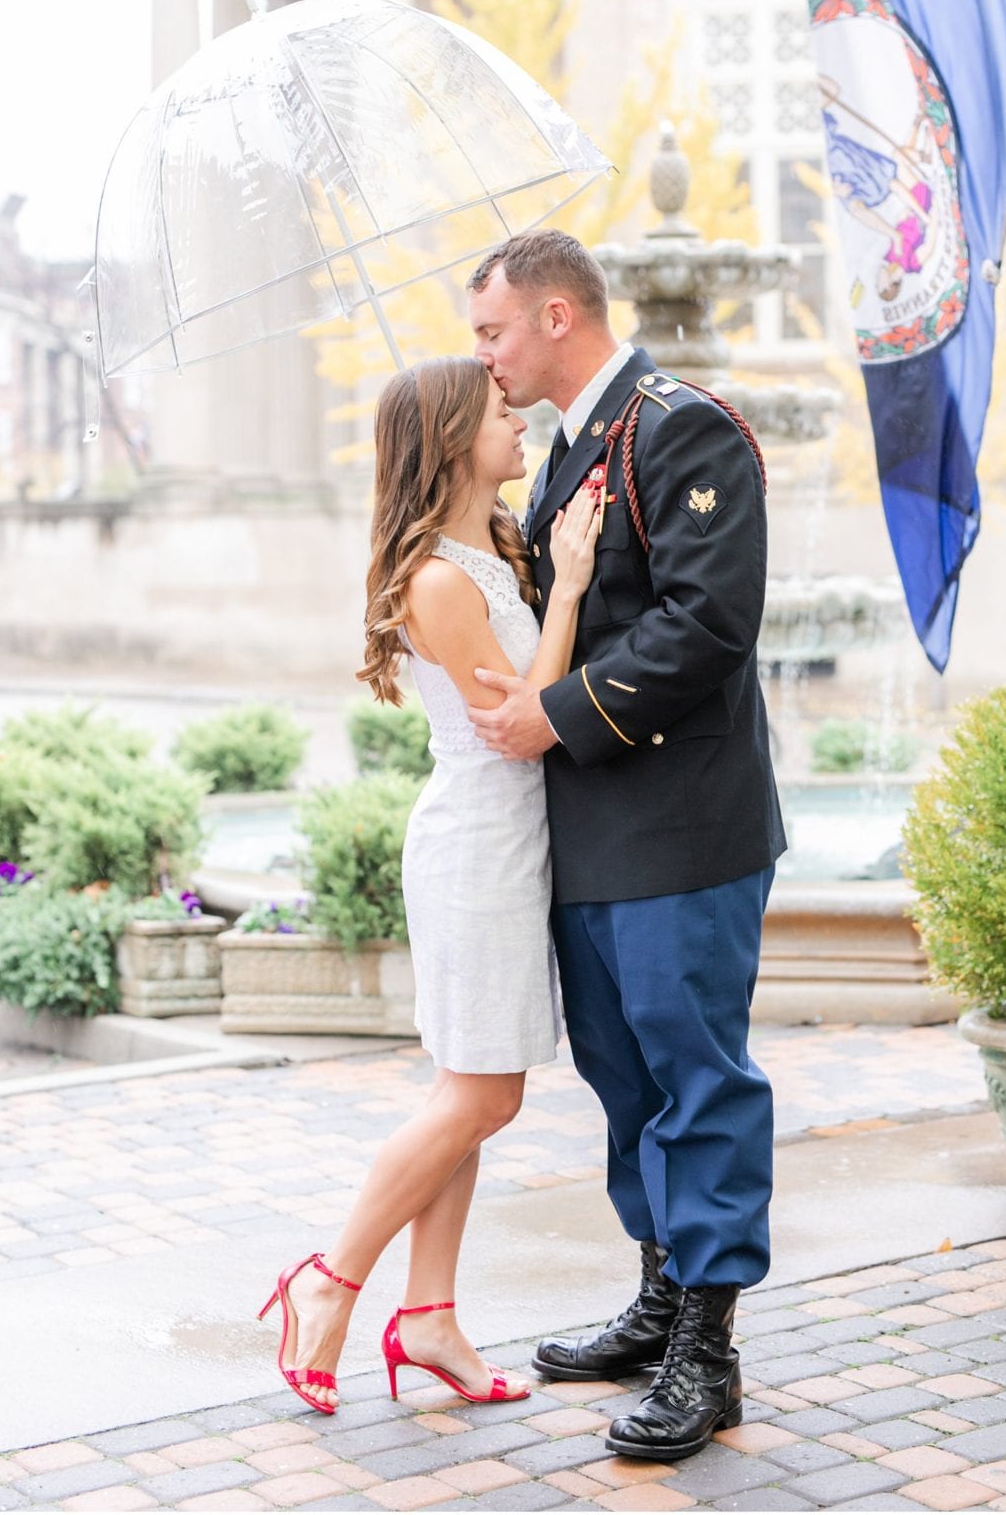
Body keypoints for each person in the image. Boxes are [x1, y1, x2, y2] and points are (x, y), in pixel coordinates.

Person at [467, 229, 785, 1462]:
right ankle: (660, 1299)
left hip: (682, 827)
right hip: (593, 830)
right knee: (626, 1082)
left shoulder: (679, 425)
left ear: (556, 316)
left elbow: (712, 622)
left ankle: (709, 1353)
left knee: (698, 1085)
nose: (482, 356)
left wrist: (551, 714)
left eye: (492, 331)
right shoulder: (569, 447)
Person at [258, 356, 599, 1415]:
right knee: (484, 1093)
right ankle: (329, 1282)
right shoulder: (440, 580)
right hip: (477, 851)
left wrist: (554, 559)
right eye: (501, 407)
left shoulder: (489, 546)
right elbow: (527, 721)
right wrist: (575, 584)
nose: (520, 417)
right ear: (456, 437)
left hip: (505, 849)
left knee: (469, 1095)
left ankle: (431, 1318)